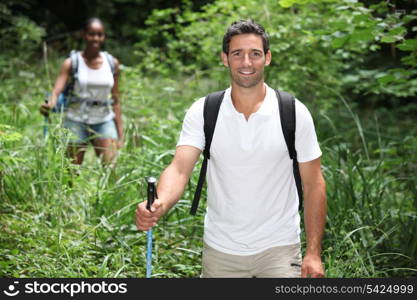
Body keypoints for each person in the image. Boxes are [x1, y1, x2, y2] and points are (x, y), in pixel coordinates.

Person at [135, 20, 326, 278]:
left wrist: (313, 253)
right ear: (225, 58)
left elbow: (314, 184)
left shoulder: (293, 112)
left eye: (255, 54)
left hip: (279, 250)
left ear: (267, 58)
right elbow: (179, 169)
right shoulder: (204, 111)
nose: (246, 62)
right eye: (237, 54)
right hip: (220, 250)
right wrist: (160, 202)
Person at [40, 18, 123, 165]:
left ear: (104, 37)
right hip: (76, 120)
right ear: (84, 35)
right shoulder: (72, 63)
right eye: (91, 34)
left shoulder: (112, 63)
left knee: (111, 171)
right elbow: (56, 90)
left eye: (100, 34)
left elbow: (116, 99)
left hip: (104, 119)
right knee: (71, 174)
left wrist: (120, 133)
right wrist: (49, 104)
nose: (95, 38)